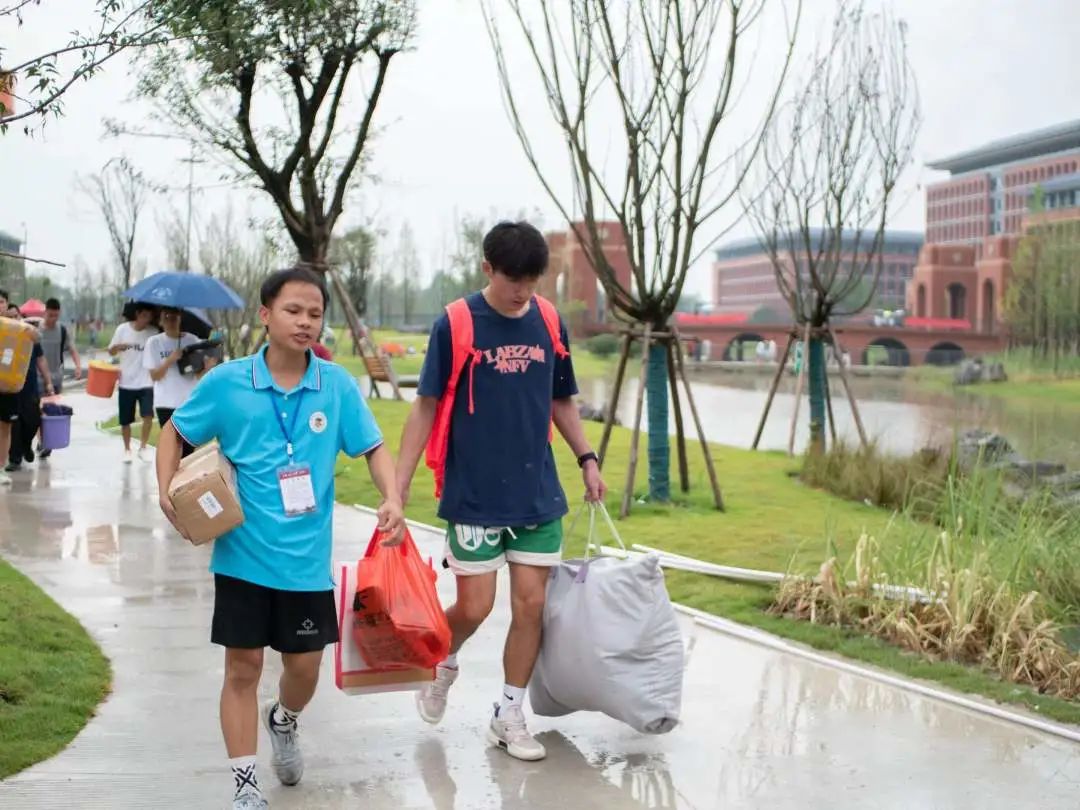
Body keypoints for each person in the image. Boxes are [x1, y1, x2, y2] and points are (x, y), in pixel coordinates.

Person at [156, 266, 405, 810]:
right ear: (266, 315)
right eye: (293, 310)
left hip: (305, 564)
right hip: (241, 557)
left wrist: (392, 496)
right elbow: (174, 430)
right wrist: (165, 489)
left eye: (315, 313)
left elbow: (373, 447)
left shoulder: (335, 385)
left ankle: (284, 719)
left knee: (303, 670)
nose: (305, 322)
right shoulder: (228, 383)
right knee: (242, 668)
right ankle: (245, 786)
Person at [395, 221, 606, 762]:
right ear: (487, 268)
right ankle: (444, 662)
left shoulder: (549, 320)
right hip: (474, 494)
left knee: (531, 606)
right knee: (474, 606)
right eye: (514, 280)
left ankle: (509, 713)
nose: (522, 293)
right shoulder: (458, 323)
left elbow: (562, 398)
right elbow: (424, 406)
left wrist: (587, 457)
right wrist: (396, 490)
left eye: (532, 281)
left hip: (537, 492)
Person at [144, 307, 201, 458]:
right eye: (167, 317)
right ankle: (173, 480)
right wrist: (170, 360)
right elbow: (155, 376)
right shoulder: (154, 343)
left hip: (189, 402)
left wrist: (208, 365)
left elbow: (200, 373)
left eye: (174, 317)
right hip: (165, 403)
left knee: (189, 448)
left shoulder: (192, 340)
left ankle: (187, 480)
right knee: (172, 447)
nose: (171, 320)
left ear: (180, 319)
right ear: (161, 321)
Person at [4, 304, 55, 473]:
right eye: (9, 317)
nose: (12, 320)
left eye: (15, 316)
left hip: (30, 388)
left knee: (33, 421)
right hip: (10, 390)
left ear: (20, 317)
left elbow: (41, 360)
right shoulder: (3, 337)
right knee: (14, 424)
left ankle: (26, 446)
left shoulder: (28, 336)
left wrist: (48, 381)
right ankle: (15, 458)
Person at [108, 304, 159, 463]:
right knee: (125, 420)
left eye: (150, 317)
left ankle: (143, 447)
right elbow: (111, 351)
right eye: (144, 316)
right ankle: (127, 449)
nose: (147, 320)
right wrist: (117, 347)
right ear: (137, 314)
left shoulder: (153, 332)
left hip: (146, 381)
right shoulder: (122, 329)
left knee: (148, 415)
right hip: (126, 381)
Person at [35, 298, 83, 460]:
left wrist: (78, 366)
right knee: (39, 412)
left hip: (56, 378)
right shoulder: (36, 330)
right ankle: (43, 441)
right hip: (37, 378)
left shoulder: (62, 330)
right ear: (44, 312)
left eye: (56, 316)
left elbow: (72, 349)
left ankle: (45, 442)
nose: (53, 319)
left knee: (51, 412)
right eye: (50, 315)